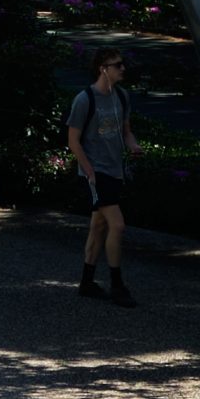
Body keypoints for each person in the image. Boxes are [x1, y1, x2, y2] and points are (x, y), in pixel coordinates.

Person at [68, 46, 137, 306]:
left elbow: (126, 131)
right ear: (103, 69)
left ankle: (87, 282)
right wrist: (89, 172)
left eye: (122, 64)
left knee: (98, 226)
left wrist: (133, 145)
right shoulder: (85, 99)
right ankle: (118, 285)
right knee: (117, 225)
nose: (122, 69)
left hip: (114, 169)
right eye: (117, 65)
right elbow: (73, 141)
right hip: (96, 172)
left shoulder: (122, 97)